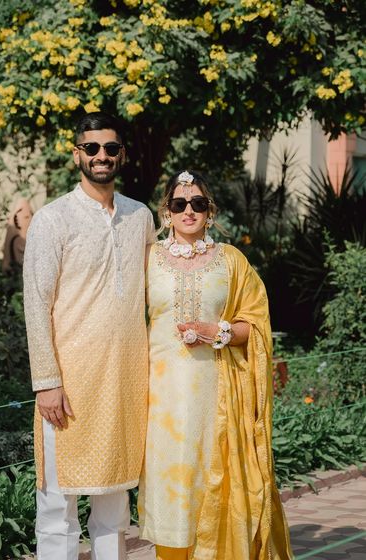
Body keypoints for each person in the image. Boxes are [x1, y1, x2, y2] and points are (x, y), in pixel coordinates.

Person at [138, 170, 292, 560]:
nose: (188, 210)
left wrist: (218, 331)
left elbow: (255, 324)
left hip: (219, 400)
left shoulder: (231, 260)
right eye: (179, 204)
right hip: (160, 403)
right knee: (173, 492)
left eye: (198, 204)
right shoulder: (147, 259)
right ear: (166, 210)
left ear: (210, 211)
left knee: (216, 487)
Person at [23, 111, 155, 560]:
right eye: (93, 148)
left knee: (115, 507)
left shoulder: (140, 217)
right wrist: (47, 381)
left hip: (125, 384)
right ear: (77, 153)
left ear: (122, 156)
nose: (102, 156)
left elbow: (158, 295)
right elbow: (36, 303)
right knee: (58, 509)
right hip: (69, 385)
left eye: (111, 148)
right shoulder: (53, 219)